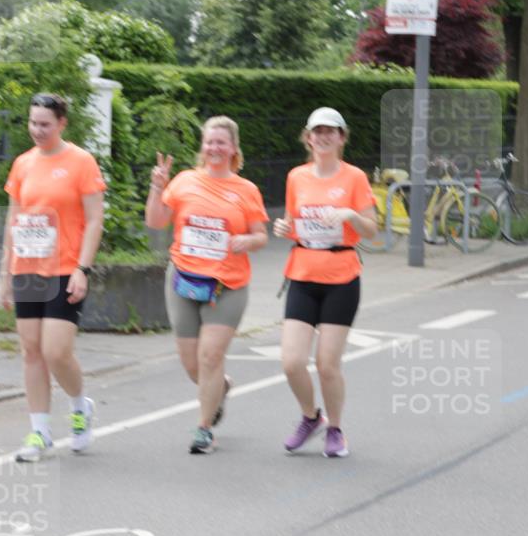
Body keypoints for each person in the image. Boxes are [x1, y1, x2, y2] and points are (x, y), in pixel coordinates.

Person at [145, 116, 269, 454]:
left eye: (221, 142)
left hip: (227, 285)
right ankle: (221, 388)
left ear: (233, 148)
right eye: (209, 142)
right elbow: (155, 221)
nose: (214, 148)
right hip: (183, 280)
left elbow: (261, 236)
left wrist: (248, 240)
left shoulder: (246, 190)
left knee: (211, 355)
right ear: (203, 147)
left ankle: (204, 429)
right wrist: (157, 187)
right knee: (192, 365)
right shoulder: (184, 181)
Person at [0, 93, 106, 462]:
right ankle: (39, 432)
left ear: (62, 123)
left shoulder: (81, 162)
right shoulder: (23, 164)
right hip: (27, 268)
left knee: (56, 352)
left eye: (45, 124)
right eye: (33, 123)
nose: (37, 130)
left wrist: (83, 268)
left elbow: (94, 219)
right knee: (31, 350)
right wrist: (5, 273)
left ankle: (80, 406)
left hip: (64, 269)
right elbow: (14, 220)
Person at [273, 107, 377, 458]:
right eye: (317, 131)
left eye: (330, 131)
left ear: (342, 137)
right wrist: (282, 228)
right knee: (291, 361)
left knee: (328, 364)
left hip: (341, 276)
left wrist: (350, 215)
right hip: (302, 273)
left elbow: (373, 230)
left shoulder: (355, 178)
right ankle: (310, 416)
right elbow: (291, 220)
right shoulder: (296, 177)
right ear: (308, 137)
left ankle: (335, 428)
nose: (323, 137)